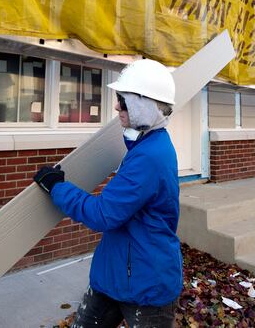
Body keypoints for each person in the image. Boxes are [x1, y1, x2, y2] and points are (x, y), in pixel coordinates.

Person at [34, 59, 182, 328]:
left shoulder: (149, 157)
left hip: (146, 284)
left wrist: (57, 187)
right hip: (114, 274)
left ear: (144, 104)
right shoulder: (147, 144)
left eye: (123, 100)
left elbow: (103, 214)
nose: (116, 106)